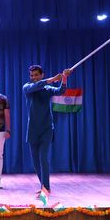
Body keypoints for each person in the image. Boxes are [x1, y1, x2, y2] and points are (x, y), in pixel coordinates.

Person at [22, 65, 71, 195]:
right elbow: (35, 86)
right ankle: (43, 185)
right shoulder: (27, 87)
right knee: (35, 161)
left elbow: (60, 91)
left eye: (36, 75)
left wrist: (64, 78)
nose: (33, 78)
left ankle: (46, 188)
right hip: (32, 129)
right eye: (32, 75)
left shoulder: (47, 89)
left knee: (43, 157)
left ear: (42, 75)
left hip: (46, 128)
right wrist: (52, 79)